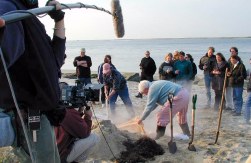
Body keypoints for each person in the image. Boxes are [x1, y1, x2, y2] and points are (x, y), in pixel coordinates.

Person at [0, 0, 66, 162]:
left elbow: (55, 61)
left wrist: (59, 20)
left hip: (42, 118)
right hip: (28, 121)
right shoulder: (7, 7)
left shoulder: (30, 17)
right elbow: (4, 56)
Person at [225, 47, 240, 111]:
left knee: (235, 95)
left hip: (235, 79)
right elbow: (228, 67)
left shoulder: (238, 60)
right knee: (228, 93)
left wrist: (231, 73)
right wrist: (228, 72)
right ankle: (229, 106)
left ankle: (235, 108)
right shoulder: (229, 59)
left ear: (236, 52)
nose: (232, 52)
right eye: (231, 51)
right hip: (229, 79)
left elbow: (238, 70)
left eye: (233, 51)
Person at [245, 58, 251, 124]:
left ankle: (247, 119)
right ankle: (247, 119)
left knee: (247, 104)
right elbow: (246, 77)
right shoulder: (249, 70)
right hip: (250, 89)